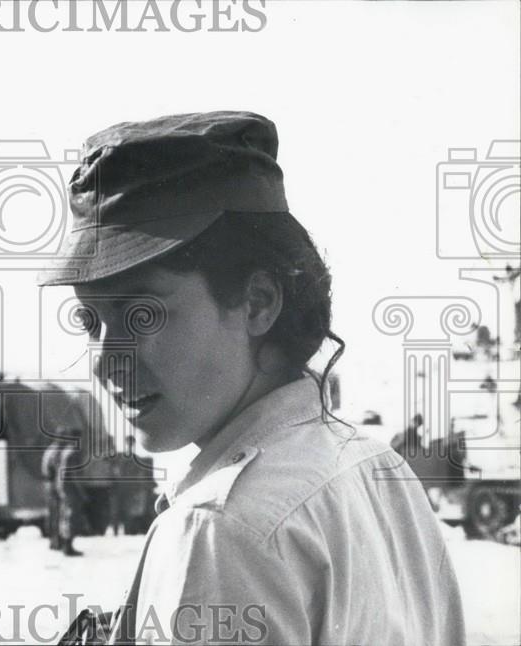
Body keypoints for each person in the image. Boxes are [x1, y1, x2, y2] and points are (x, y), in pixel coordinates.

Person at [39, 112, 465, 645]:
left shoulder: (220, 528)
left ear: (257, 302)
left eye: (141, 315)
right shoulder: (380, 468)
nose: (104, 362)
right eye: (90, 321)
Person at [55, 427, 90, 557]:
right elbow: (75, 475)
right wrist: (82, 492)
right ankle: (68, 547)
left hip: (64, 487)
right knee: (71, 516)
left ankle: (65, 545)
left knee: (65, 516)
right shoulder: (74, 452)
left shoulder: (65, 451)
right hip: (71, 488)